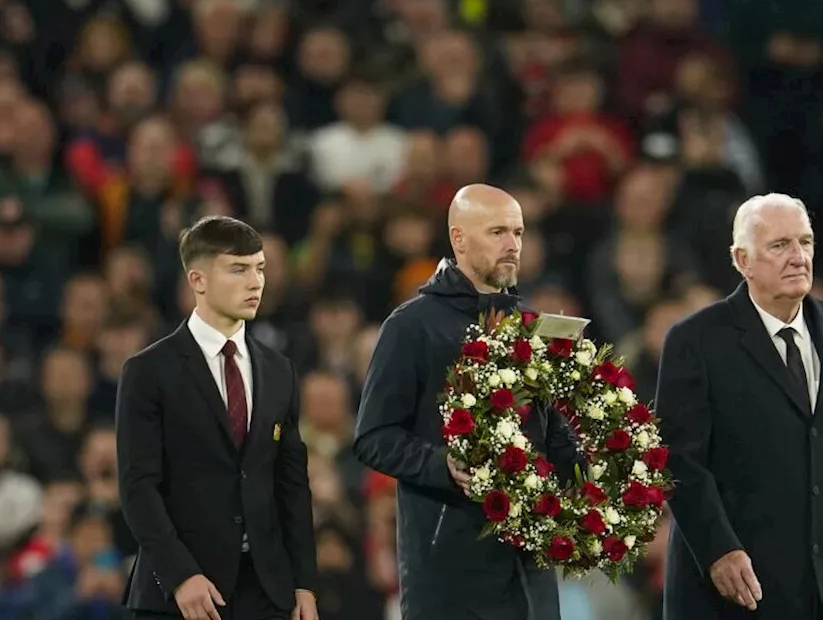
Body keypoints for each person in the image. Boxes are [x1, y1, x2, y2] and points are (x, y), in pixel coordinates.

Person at [352, 184, 581, 620]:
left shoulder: (531, 327)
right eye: (497, 232)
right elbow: (372, 436)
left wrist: (596, 473)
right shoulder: (411, 326)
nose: (512, 245)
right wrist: (443, 466)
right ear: (459, 239)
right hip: (449, 570)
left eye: (518, 232)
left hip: (530, 566)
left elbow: (549, 435)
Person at [656, 193, 823, 620]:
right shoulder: (696, 340)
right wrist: (719, 550)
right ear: (743, 260)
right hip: (736, 592)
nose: (798, 257)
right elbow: (677, 459)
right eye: (780, 246)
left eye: (806, 242)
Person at [116, 216, 318, 620]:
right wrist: (180, 576)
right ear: (198, 280)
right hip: (180, 597)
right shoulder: (148, 371)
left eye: (259, 268)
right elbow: (138, 487)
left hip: (267, 594)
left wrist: (304, 583)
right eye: (238, 269)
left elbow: (291, 486)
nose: (255, 281)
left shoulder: (280, 371)